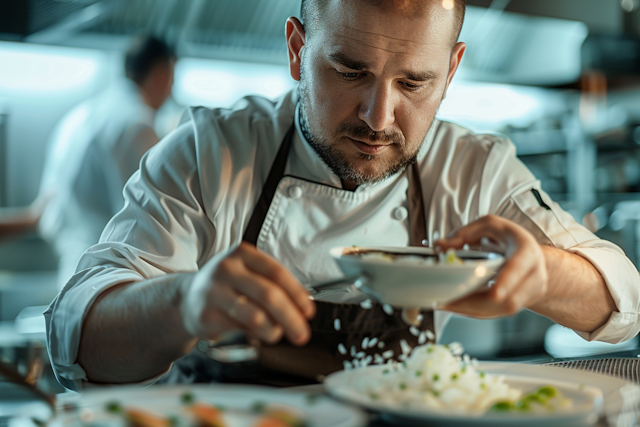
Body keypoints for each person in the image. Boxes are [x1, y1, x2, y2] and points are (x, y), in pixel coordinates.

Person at [46, 0, 639, 391]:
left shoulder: (473, 167)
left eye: (414, 82)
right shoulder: (209, 152)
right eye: (350, 71)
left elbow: (622, 304)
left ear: (452, 70)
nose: (379, 118)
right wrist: (184, 302)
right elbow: (76, 344)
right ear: (298, 50)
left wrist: (541, 276)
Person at [0, 35, 176, 288]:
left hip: (75, 271)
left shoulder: (82, 114)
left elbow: (48, 210)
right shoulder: (136, 125)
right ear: (161, 74)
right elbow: (150, 222)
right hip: (104, 278)